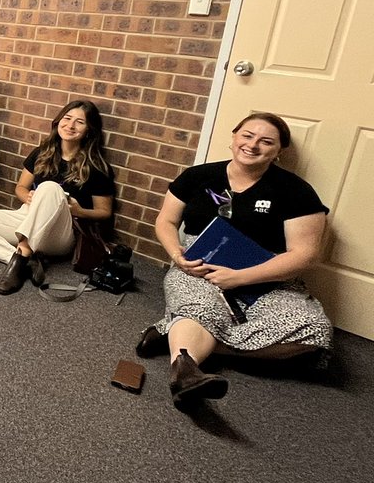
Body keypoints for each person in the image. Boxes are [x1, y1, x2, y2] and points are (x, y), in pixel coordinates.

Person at [137, 113, 333, 407]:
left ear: (279, 151)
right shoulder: (198, 176)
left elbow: (305, 255)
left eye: (266, 141)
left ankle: (179, 336)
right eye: (247, 135)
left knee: (313, 332)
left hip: (266, 272)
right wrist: (177, 255)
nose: (252, 145)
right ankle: (185, 372)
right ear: (234, 137)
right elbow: (165, 221)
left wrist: (241, 278)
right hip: (200, 266)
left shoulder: (295, 191)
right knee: (198, 307)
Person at [0, 100, 116, 294]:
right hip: (27, 215)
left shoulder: (97, 167)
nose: (70, 125)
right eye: (67, 118)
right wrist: (27, 197)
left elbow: (105, 212)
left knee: (49, 188)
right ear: (58, 122)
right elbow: (20, 187)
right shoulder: (42, 153)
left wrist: (80, 210)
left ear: (89, 129)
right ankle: (21, 259)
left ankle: (23, 251)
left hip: (62, 231)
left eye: (79, 122)